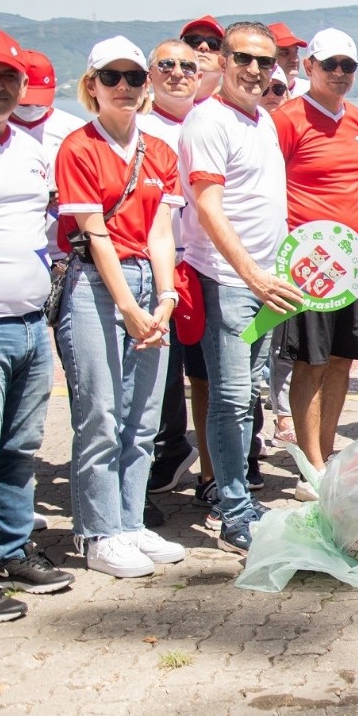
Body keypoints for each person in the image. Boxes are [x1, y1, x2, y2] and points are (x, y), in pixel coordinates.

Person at [54, 37, 188, 576]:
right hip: (92, 284)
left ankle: (131, 521)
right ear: (93, 86)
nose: (126, 88)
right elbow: (96, 235)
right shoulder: (78, 148)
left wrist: (165, 296)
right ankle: (100, 531)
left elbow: (161, 230)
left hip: (145, 281)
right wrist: (130, 307)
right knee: (100, 414)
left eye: (135, 78)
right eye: (113, 78)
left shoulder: (159, 152)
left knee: (143, 415)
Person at [179, 21, 299, 554]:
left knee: (247, 394)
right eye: (245, 59)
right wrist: (250, 273)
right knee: (229, 399)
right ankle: (232, 511)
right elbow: (207, 207)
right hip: (231, 281)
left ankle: (240, 501)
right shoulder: (208, 120)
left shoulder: (263, 122)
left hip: (268, 281)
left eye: (265, 62)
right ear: (223, 61)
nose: (255, 71)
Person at [0, 29, 74, 620]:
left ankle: (9, 551)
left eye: (7, 77)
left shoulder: (28, 148)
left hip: (29, 323)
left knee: (20, 448)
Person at [271, 29, 358, 477]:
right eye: (329, 64)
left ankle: (326, 455)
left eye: (347, 66)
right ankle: (309, 464)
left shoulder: (357, 119)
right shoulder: (287, 119)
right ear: (308, 66)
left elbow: (355, 181)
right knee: (309, 364)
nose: (339, 73)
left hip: (354, 261)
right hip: (309, 262)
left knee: (341, 361)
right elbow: (269, 186)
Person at [140, 39, 207, 496]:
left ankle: (223, 465)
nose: (178, 73)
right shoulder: (137, 126)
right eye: (167, 65)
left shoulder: (213, 120)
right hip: (155, 260)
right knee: (158, 374)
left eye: (188, 66)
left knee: (207, 372)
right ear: (151, 74)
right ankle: (167, 448)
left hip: (205, 263)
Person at [180, 15, 226, 102]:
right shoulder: (151, 107)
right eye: (194, 40)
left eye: (214, 43)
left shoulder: (234, 111)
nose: (204, 46)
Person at [268, 23, 308, 97]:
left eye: (296, 52)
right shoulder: (256, 96)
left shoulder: (310, 93)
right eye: (284, 53)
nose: (294, 59)